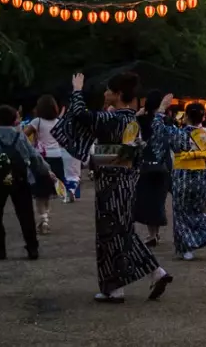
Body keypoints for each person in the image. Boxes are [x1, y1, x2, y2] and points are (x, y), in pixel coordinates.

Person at [52, 72, 172, 303]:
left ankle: (114, 288)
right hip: (127, 181)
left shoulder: (113, 119)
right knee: (123, 231)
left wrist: (77, 90)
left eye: (108, 90)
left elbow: (80, 114)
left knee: (109, 235)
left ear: (117, 94)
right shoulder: (133, 121)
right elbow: (126, 152)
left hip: (111, 183)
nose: (105, 93)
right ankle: (156, 273)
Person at [0, 105, 51, 260]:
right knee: (25, 214)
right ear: (14, 120)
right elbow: (34, 157)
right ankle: (32, 248)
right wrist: (47, 171)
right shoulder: (20, 136)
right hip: (19, 177)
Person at [169, 102, 206, 261]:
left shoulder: (178, 133)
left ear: (186, 116)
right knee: (199, 211)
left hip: (182, 175)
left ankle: (187, 250)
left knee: (181, 211)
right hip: (201, 175)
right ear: (202, 117)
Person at [23, 95, 65, 235]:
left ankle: (43, 219)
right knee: (47, 192)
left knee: (40, 193)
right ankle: (46, 219)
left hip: (41, 158)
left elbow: (23, 137)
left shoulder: (37, 121)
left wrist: (32, 146)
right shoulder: (59, 121)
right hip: (57, 157)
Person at [134, 91, 171, 248]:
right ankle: (155, 233)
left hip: (146, 164)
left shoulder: (142, 120)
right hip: (164, 164)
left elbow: (131, 123)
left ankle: (152, 234)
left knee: (148, 199)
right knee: (158, 200)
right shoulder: (167, 121)